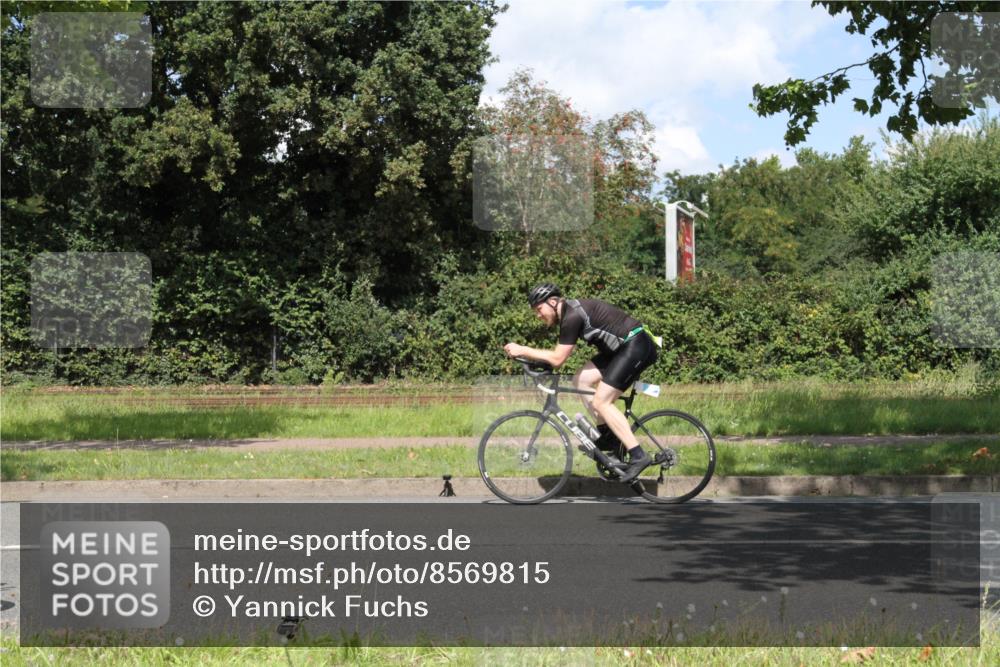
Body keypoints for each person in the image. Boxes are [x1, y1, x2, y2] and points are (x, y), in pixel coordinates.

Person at [503, 283, 659, 483]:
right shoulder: (569, 314)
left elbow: (558, 359)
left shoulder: (572, 316)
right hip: (621, 350)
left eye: (539, 309)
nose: (538, 315)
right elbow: (557, 359)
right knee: (581, 380)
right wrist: (540, 363)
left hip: (635, 346)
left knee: (602, 402)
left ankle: (638, 455)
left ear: (552, 302)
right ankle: (609, 438)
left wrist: (523, 350)